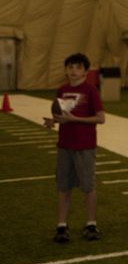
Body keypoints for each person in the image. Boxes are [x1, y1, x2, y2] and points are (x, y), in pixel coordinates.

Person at [44, 53, 105, 243]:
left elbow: (100, 118)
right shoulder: (62, 90)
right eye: (70, 67)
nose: (73, 71)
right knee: (64, 186)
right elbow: (63, 114)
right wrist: (53, 121)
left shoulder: (90, 91)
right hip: (65, 145)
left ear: (86, 71)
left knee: (88, 186)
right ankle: (62, 225)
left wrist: (74, 119)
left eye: (78, 67)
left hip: (85, 146)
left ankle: (91, 223)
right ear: (66, 70)